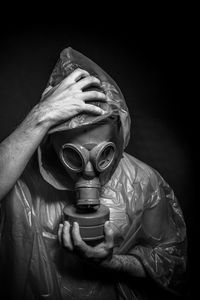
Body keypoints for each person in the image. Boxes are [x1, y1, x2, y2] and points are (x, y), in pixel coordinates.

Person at [0, 47, 187, 300]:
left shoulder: (141, 182)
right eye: (73, 155)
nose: (89, 171)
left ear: (118, 140)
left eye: (103, 154)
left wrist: (113, 263)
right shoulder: (18, 177)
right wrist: (40, 116)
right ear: (49, 141)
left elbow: (171, 262)